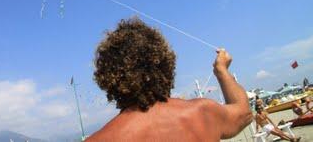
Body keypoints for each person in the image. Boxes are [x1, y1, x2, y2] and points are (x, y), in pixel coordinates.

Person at [86, 18, 253, 142]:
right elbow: (244, 113)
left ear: (107, 78)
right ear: (165, 64)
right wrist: (221, 70)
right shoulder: (202, 112)